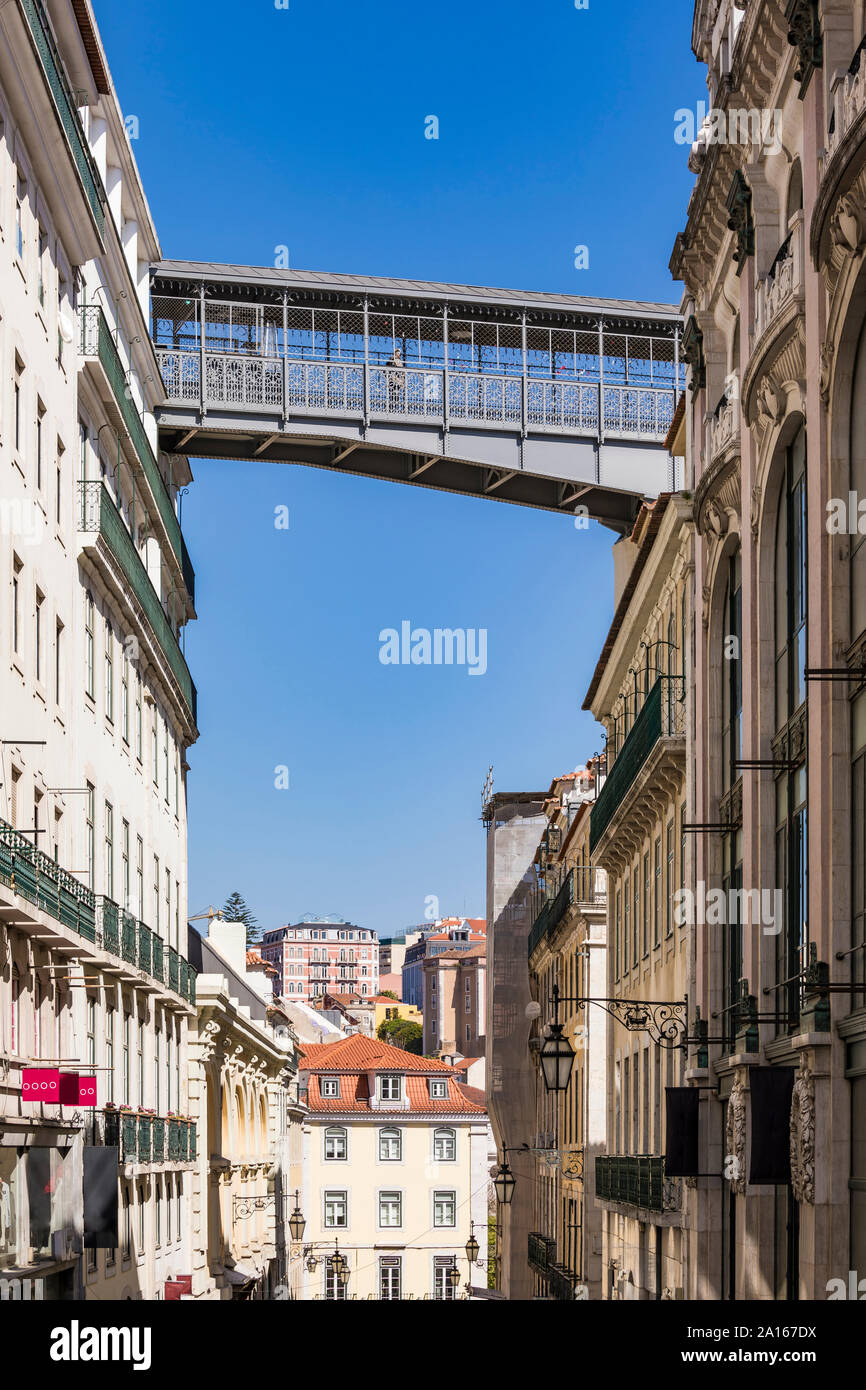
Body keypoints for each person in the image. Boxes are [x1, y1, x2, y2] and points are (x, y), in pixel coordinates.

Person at [386, 346, 405, 411]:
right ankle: (392, 406)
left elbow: (402, 372)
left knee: (396, 394)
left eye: (399, 353)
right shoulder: (392, 360)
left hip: (398, 380)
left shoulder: (397, 360)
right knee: (393, 393)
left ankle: (394, 406)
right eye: (397, 352)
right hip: (394, 379)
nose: (398, 354)